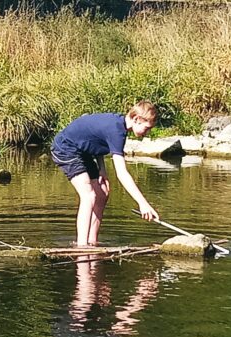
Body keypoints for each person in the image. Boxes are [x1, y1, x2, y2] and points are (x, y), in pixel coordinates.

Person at [51, 100, 160, 247]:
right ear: (136, 119)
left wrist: (102, 170)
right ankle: (82, 246)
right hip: (65, 148)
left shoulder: (119, 126)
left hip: (82, 151)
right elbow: (122, 174)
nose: (147, 133)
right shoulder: (117, 131)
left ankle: (92, 240)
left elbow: (96, 140)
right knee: (89, 195)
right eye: (146, 128)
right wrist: (143, 204)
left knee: (102, 193)